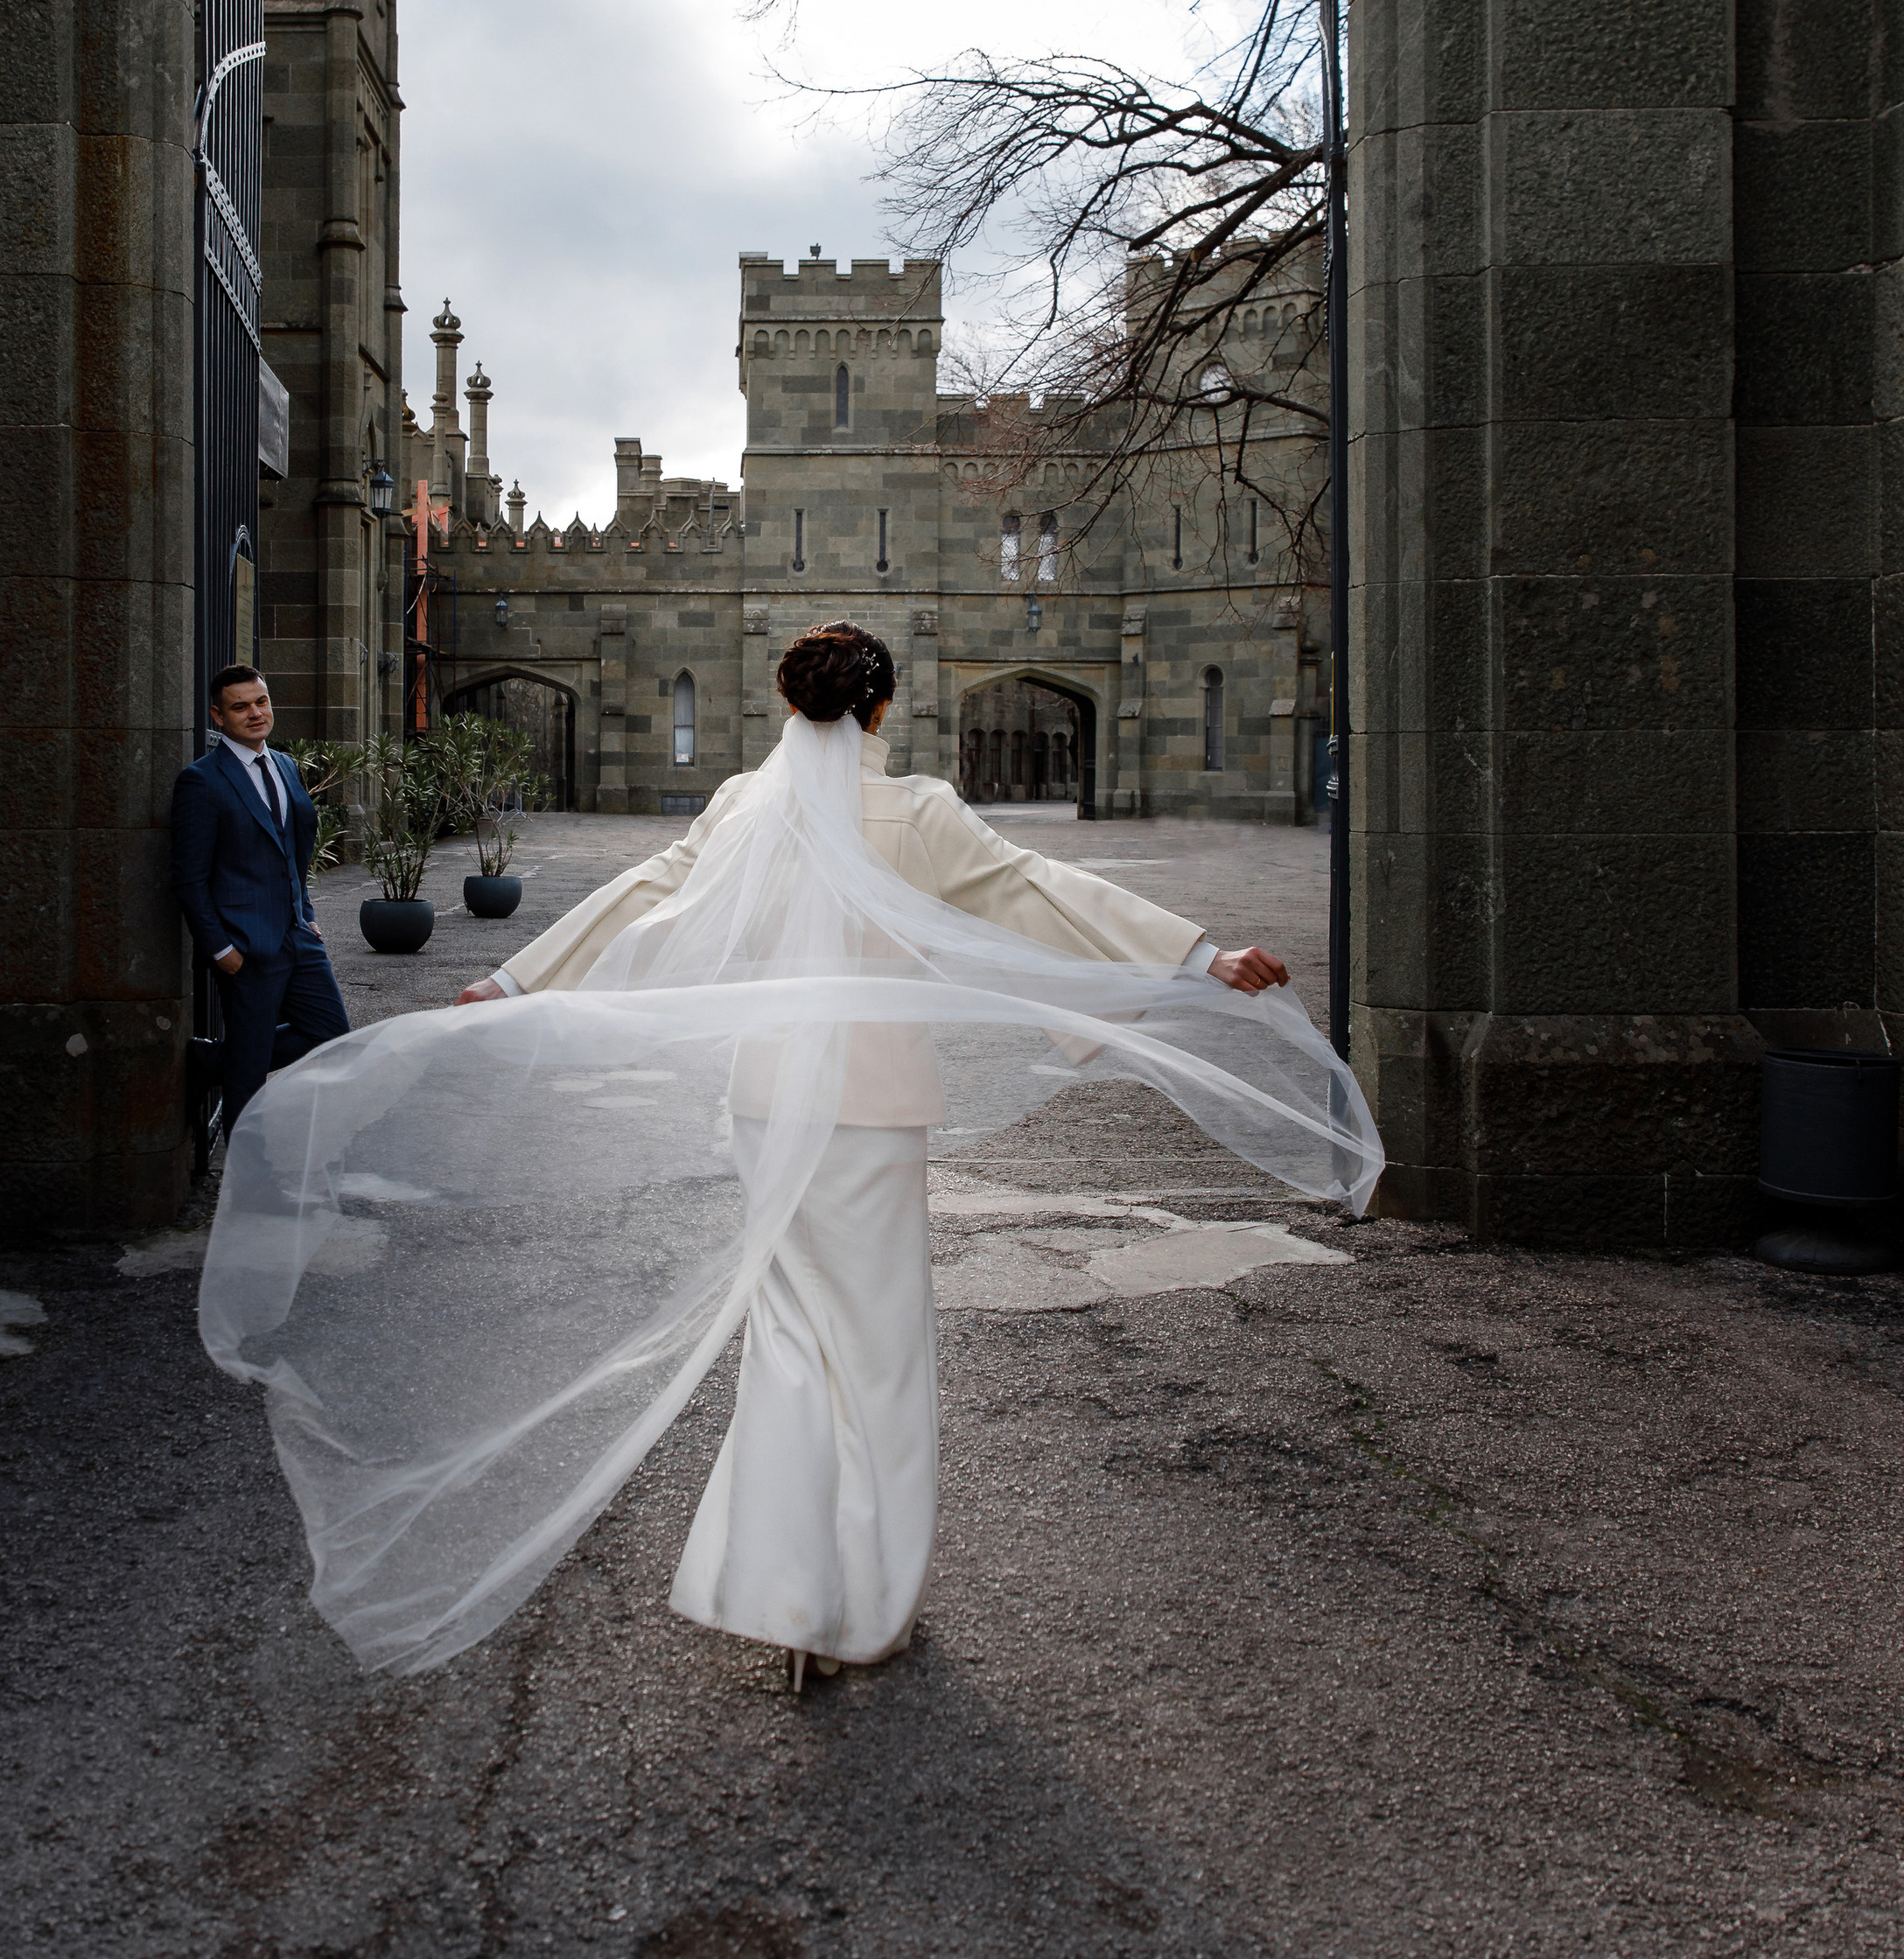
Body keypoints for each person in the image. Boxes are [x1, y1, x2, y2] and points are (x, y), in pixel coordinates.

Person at [199, 623, 1378, 1686]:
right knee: (881, 1357)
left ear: (784, 706)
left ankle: (782, 1591)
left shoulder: (737, 809)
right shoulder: (913, 811)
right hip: (869, 1113)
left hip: (766, 1103)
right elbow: (1036, 892)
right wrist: (1197, 956)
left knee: (794, 1345)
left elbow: (645, 898)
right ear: (878, 711)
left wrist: (516, 978)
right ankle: (862, 1609)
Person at [170, 664, 349, 1148]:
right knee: (247, 1077)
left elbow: (293, 847)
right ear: (218, 715)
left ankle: (211, 1061)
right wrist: (220, 948)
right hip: (244, 946)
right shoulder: (202, 781)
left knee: (331, 1032)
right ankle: (249, 1183)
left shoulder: (286, 765)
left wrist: (305, 913)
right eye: (240, 706)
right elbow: (189, 878)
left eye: (261, 702)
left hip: (296, 934)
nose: (255, 714)